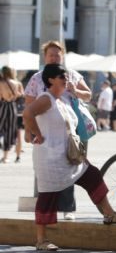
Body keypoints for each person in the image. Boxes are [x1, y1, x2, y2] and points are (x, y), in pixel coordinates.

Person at [23, 63, 116, 251]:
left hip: (69, 156)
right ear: (51, 80)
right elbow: (28, 113)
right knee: (47, 197)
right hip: (50, 158)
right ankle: (41, 240)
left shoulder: (62, 100)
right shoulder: (46, 98)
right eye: (62, 77)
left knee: (93, 176)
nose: (66, 80)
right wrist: (36, 133)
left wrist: (73, 90)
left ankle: (109, 214)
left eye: (66, 77)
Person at [25, 41, 92, 220]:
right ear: (45, 57)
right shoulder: (36, 78)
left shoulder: (71, 75)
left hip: (71, 130)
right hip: (46, 130)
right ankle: (48, 211)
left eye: (57, 54)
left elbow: (89, 95)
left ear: (63, 56)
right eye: (51, 55)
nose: (54, 58)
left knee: (71, 165)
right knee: (48, 170)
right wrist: (28, 130)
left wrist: (75, 90)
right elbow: (29, 105)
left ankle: (67, 208)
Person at [0, 65, 23, 162]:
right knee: (9, 131)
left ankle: (5, 155)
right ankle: (6, 157)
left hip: (3, 106)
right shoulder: (17, 83)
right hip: (13, 107)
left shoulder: (1, 83)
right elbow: (21, 94)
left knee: (1, 127)